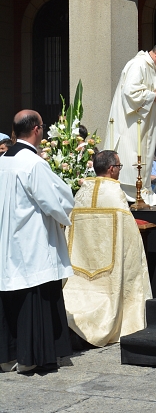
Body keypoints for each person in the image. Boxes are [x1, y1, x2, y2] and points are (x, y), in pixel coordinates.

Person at [0, 110, 74, 374]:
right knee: (34, 293)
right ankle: (32, 356)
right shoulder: (33, 163)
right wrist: (67, 213)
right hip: (31, 240)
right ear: (36, 129)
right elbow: (54, 200)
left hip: (7, 239)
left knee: (11, 293)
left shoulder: (3, 161)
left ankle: (8, 355)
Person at [63, 150, 152, 347]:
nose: (119, 171)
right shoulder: (114, 194)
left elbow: (69, 231)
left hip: (81, 266)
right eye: (119, 167)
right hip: (108, 274)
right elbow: (129, 239)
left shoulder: (81, 193)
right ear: (111, 169)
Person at [104, 40, 156, 205]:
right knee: (130, 156)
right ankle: (130, 193)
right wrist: (153, 96)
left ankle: (142, 190)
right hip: (130, 125)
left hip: (143, 125)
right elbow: (130, 93)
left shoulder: (152, 68)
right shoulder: (138, 64)